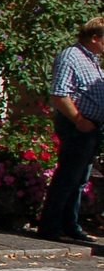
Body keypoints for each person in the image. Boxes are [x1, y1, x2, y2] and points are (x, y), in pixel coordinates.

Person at [39, 17, 104, 244]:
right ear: (94, 37)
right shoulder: (71, 56)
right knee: (68, 176)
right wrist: (78, 120)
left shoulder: (92, 60)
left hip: (92, 126)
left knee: (79, 178)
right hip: (78, 126)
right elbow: (59, 93)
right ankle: (51, 225)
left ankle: (70, 224)